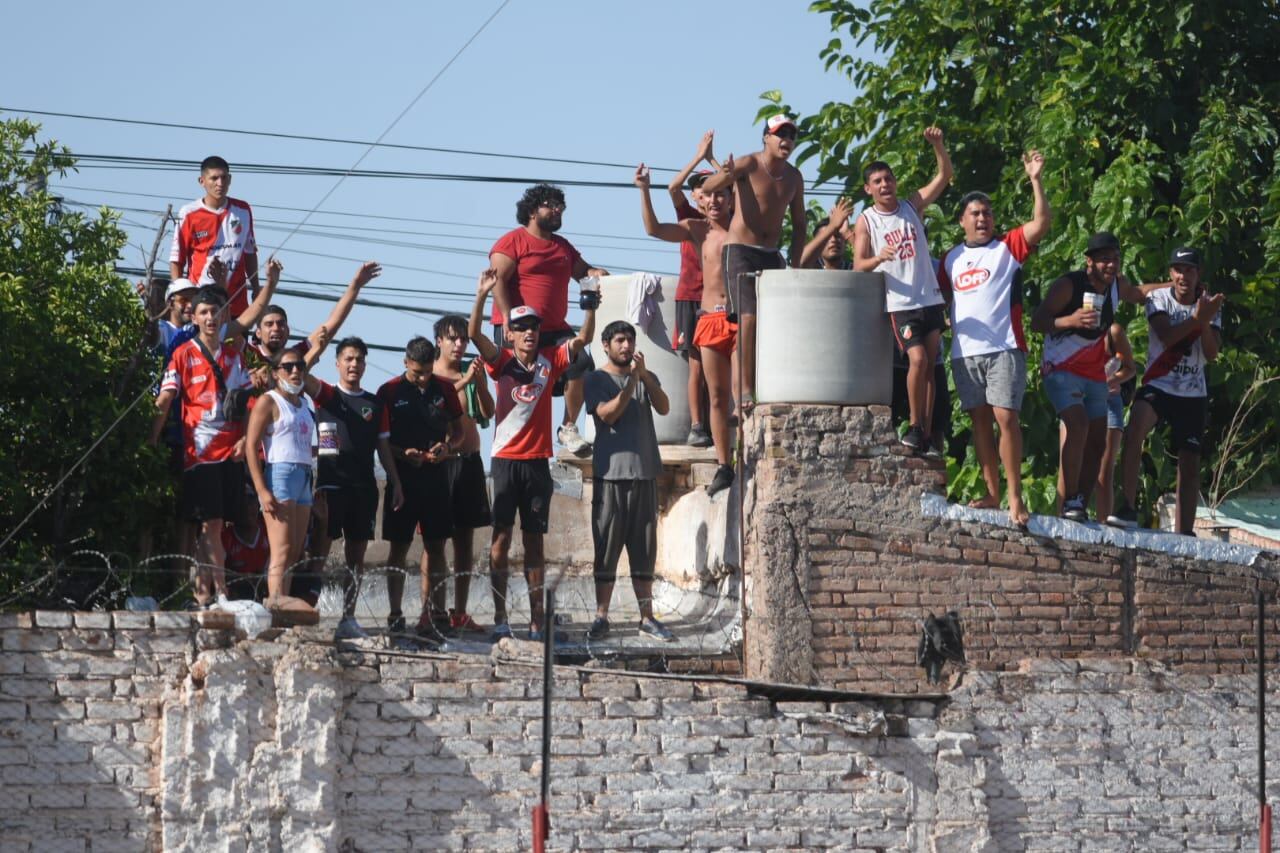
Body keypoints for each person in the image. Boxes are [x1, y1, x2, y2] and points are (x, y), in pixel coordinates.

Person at [469, 268, 596, 641]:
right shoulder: (501, 361)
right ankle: (500, 616)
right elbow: (476, 333)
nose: (528, 332)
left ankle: (538, 619)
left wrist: (589, 305)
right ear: (510, 333)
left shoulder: (550, 361)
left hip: (538, 462)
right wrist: (481, 296)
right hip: (506, 462)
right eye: (521, 327)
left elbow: (584, 338)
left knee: (535, 542)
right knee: (501, 540)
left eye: (533, 327)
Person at [150, 261, 280, 606]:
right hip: (201, 452)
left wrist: (244, 440)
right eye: (204, 312)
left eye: (216, 312)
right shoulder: (181, 353)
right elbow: (165, 399)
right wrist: (149, 440)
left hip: (231, 452)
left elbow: (245, 405)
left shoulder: (234, 357)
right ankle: (219, 592)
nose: (210, 318)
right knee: (209, 525)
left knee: (218, 527)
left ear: (223, 316)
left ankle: (204, 593)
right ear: (194, 316)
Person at [937, 150, 1052, 526]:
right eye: (975, 214)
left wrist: (1035, 179)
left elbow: (1042, 223)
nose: (983, 219)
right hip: (964, 353)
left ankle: (1016, 496)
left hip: (1005, 347)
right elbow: (939, 298)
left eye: (987, 213)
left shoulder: (1007, 248)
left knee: (1006, 416)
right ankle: (991, 492)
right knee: (979, 422)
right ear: (962, 221)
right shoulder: (949, 259)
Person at [1030, 232, 1155, 521]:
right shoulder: (1068, 285)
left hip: (1094, 372)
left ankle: (1079, 505)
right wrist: (1070, 320)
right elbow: (1038, 321)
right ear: (1089, 262)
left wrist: (1173, 285)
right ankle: (1070, 497)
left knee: (1098, 442)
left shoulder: (1115, 287)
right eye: (1104, 260)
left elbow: (1139, 292)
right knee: (1077, 424)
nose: (1110, 265)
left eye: (1115, 259)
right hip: (1061, 368)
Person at [634, 162, 737, 495]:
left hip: (740, 317)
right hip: (708, 318)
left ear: (732, 198)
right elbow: (653, 230)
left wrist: (725, 167)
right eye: (709, 195)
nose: (716, 200)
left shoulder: (744, 228)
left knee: (742, 393)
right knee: (717, 396)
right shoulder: (697, 229)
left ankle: (749, 450)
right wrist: (644, 190)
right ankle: (725, 465)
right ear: (702, 201)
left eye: (722, 194)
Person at [852, 127, 954, 453]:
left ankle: (924, 429)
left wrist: (938, 145)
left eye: (889, 179)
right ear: (869, 189)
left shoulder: (911, 206)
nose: (885, 185)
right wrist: (877, 257)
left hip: (929, 296)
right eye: (878, 181)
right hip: (900, 302)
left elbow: (945, 175)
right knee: (918, 359)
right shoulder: (867, 221)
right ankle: (913, 423)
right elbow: (858, 264)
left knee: (931, 367)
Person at [1109, 248, 1224, 534]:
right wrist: (1197, 319)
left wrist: (1206, 322)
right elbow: (1167, 336)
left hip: (1193, 391)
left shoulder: (1211, 305)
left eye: (1190, 270)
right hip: (1158, 383)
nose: (1183, 276)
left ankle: (1184, 530)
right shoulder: (1158, 298)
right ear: (1170, 273)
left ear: (1199, 275)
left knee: (1190, 459)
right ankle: (1127, 506)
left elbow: (1212, 354)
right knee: (1135, 429)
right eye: (1178, 269)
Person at [489, 183, 609, 457]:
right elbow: (497, 281)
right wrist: (507, 319)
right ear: (533, 210)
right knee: (519, 390)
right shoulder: (513, 241)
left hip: (554, 329)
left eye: (561, 207)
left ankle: (567, 427)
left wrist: (596, 272)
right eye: (552, 206)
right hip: (518, 328)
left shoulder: (562, 246)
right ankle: (512, 443)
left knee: (580, 362)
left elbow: (583, 271)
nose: (558, 211)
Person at [698, 114, 806, 412]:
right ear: (766, 138)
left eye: (791, 136)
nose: (786, 140)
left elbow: (800, 224)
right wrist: (727, 175)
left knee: (776, 321)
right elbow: (709, 186)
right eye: (779, 134)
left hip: (771, 254)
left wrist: (796, 265)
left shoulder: (794, 177)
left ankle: (773, 382)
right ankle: (745, 389)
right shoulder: (748, 163)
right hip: (741, 251)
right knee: (747, 318)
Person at [304, 337, 405, 640]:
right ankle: (306, 609)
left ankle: (348, 617)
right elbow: (299, 371)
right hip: (331, 485)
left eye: (359, 359)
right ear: (337, 363)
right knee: (319, 551)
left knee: (356, 556)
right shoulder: (327, 395)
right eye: (348, 358)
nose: (354, 364)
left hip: (363, 488)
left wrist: (396, 481)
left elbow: (383, 447)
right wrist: (315, 347)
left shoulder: (375, 404)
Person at [583, 321, 676, 643]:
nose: (626, 346)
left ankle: (647, 617)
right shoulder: (596, 379)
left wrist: (644, 378)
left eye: (630, 340)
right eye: (620, 340)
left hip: (644, 474)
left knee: (644, 550)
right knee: (606, 549)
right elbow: (607, 415)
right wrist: (630, 383)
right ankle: (601, 616)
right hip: (611, 477)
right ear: (606, 345)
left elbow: (664, 407)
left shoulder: (643, 378)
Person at [377, 336, 464, 645]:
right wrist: (404, 456)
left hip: (437, 477)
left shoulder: (444, 388)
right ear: (405, 364)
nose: (424, 378)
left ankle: (435, 613)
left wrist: (447, 447)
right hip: (403, 479)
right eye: (417, 373)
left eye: (428, 371)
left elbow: (460, 431)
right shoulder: (388, 392)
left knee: (437, 547)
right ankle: (395, 613)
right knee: (398, 547)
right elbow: (382, 441)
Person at [432, 315, 496, 634]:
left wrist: (479, 382)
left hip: (469, 463)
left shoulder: (468, 374)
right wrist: (463, 382)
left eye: (463, 340)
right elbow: (433, 407)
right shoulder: (431, 377)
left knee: (465, 543)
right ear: (439, 342)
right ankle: (434, 609)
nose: (459, 345)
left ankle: (460, 610)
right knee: (435, 541)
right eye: (452, 339)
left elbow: (488, 412)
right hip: (440, 466)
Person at [243, 352, 320, 613]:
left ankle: (283, 603)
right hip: (280, 473)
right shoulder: (269, 401)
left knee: (296, 549)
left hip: (304, 473)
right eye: (287, 367)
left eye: (299, 366)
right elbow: (251, 446)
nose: (295, 371)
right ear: (275, 372)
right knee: (282, 547)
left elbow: (303, 443)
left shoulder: (304, 403)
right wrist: (262, 490)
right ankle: (274, 600)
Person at [666, 131, 719, 448]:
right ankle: (697, 426)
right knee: (696, 365)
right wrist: (699, 157)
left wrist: (714, 159)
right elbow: (673, 188)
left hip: (717, 300)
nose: (709, 196)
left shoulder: (726, 219)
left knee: (719, 365)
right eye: (702, 190)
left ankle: (718, 424)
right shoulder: (687, 218)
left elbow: (737, 187)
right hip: (689, 296)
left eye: (714, 190)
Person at [170, 156, 259, 317]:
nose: (220, 183)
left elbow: (250, 252)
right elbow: (177, 259)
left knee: (236, 342)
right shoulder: (189, 213)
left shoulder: (243, 210)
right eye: (214, 178)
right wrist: (180, 294)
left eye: (224, 178)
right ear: (202, 181)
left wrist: (256, 287)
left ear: (230, 179)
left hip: (236, 303)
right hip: (203, 304)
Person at [1090, 323, 1137, 525]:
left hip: (1109, 401)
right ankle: (1070, 516)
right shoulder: (1073, 323)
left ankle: (1103, 526)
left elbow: (1130, 369)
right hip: (1080, 399)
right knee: (1075, 464)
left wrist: (1109, 380)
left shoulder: (1113, 331)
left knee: (1104, 471)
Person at [223, 484, 269, 601]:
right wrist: (245, 578)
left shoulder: (269, 532)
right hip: (235, 600)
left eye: (252, 500)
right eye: (244, 502)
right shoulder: (225, 537)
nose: (249, 508)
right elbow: (217, 574)